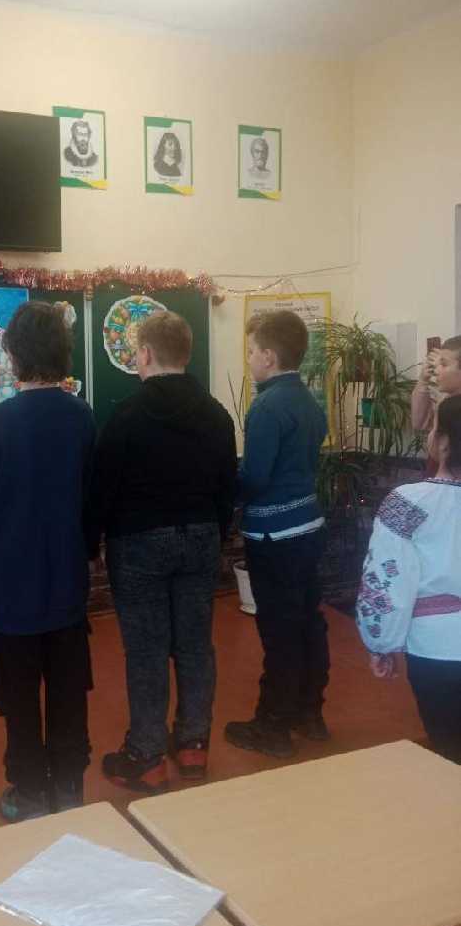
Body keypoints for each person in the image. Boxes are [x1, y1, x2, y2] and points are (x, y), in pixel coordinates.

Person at [93, 312, 237, 793]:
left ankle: (147, 755)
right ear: (187, 353)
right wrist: (215, 533)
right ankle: (194, 744)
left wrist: (92, 541)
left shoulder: (126, 416)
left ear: (146, 354)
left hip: (138, 543)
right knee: (195, 644)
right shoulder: (216, 414)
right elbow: (227, 485)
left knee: (147, 650)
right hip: (200, 537)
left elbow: (103, 489)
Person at [0, 302, 96, 822]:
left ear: (14, 354)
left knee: (18, 694)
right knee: (69, 688)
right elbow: (91, 500)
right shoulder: (81, 416)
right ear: (63, 353)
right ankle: (69, 786)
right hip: (67, 578)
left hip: (11, 583)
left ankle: (28, 793)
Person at [225, 310, 329, 758]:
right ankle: (310, 712)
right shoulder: (308, 401)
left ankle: (273, 725)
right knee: (308, 621)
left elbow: (255, 478)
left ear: (268, 356)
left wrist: (222, 487)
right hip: (308, 526)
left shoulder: (267, 406)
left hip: (275, 535)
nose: (249, 359)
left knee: (279, 630)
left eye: (251, 351)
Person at [358, 395, 461, 765]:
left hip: (436, 650)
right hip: (437, 650)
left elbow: (386, 583)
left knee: (449, 753)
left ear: (444, 442)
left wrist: (381, 644)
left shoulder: (408, 502)